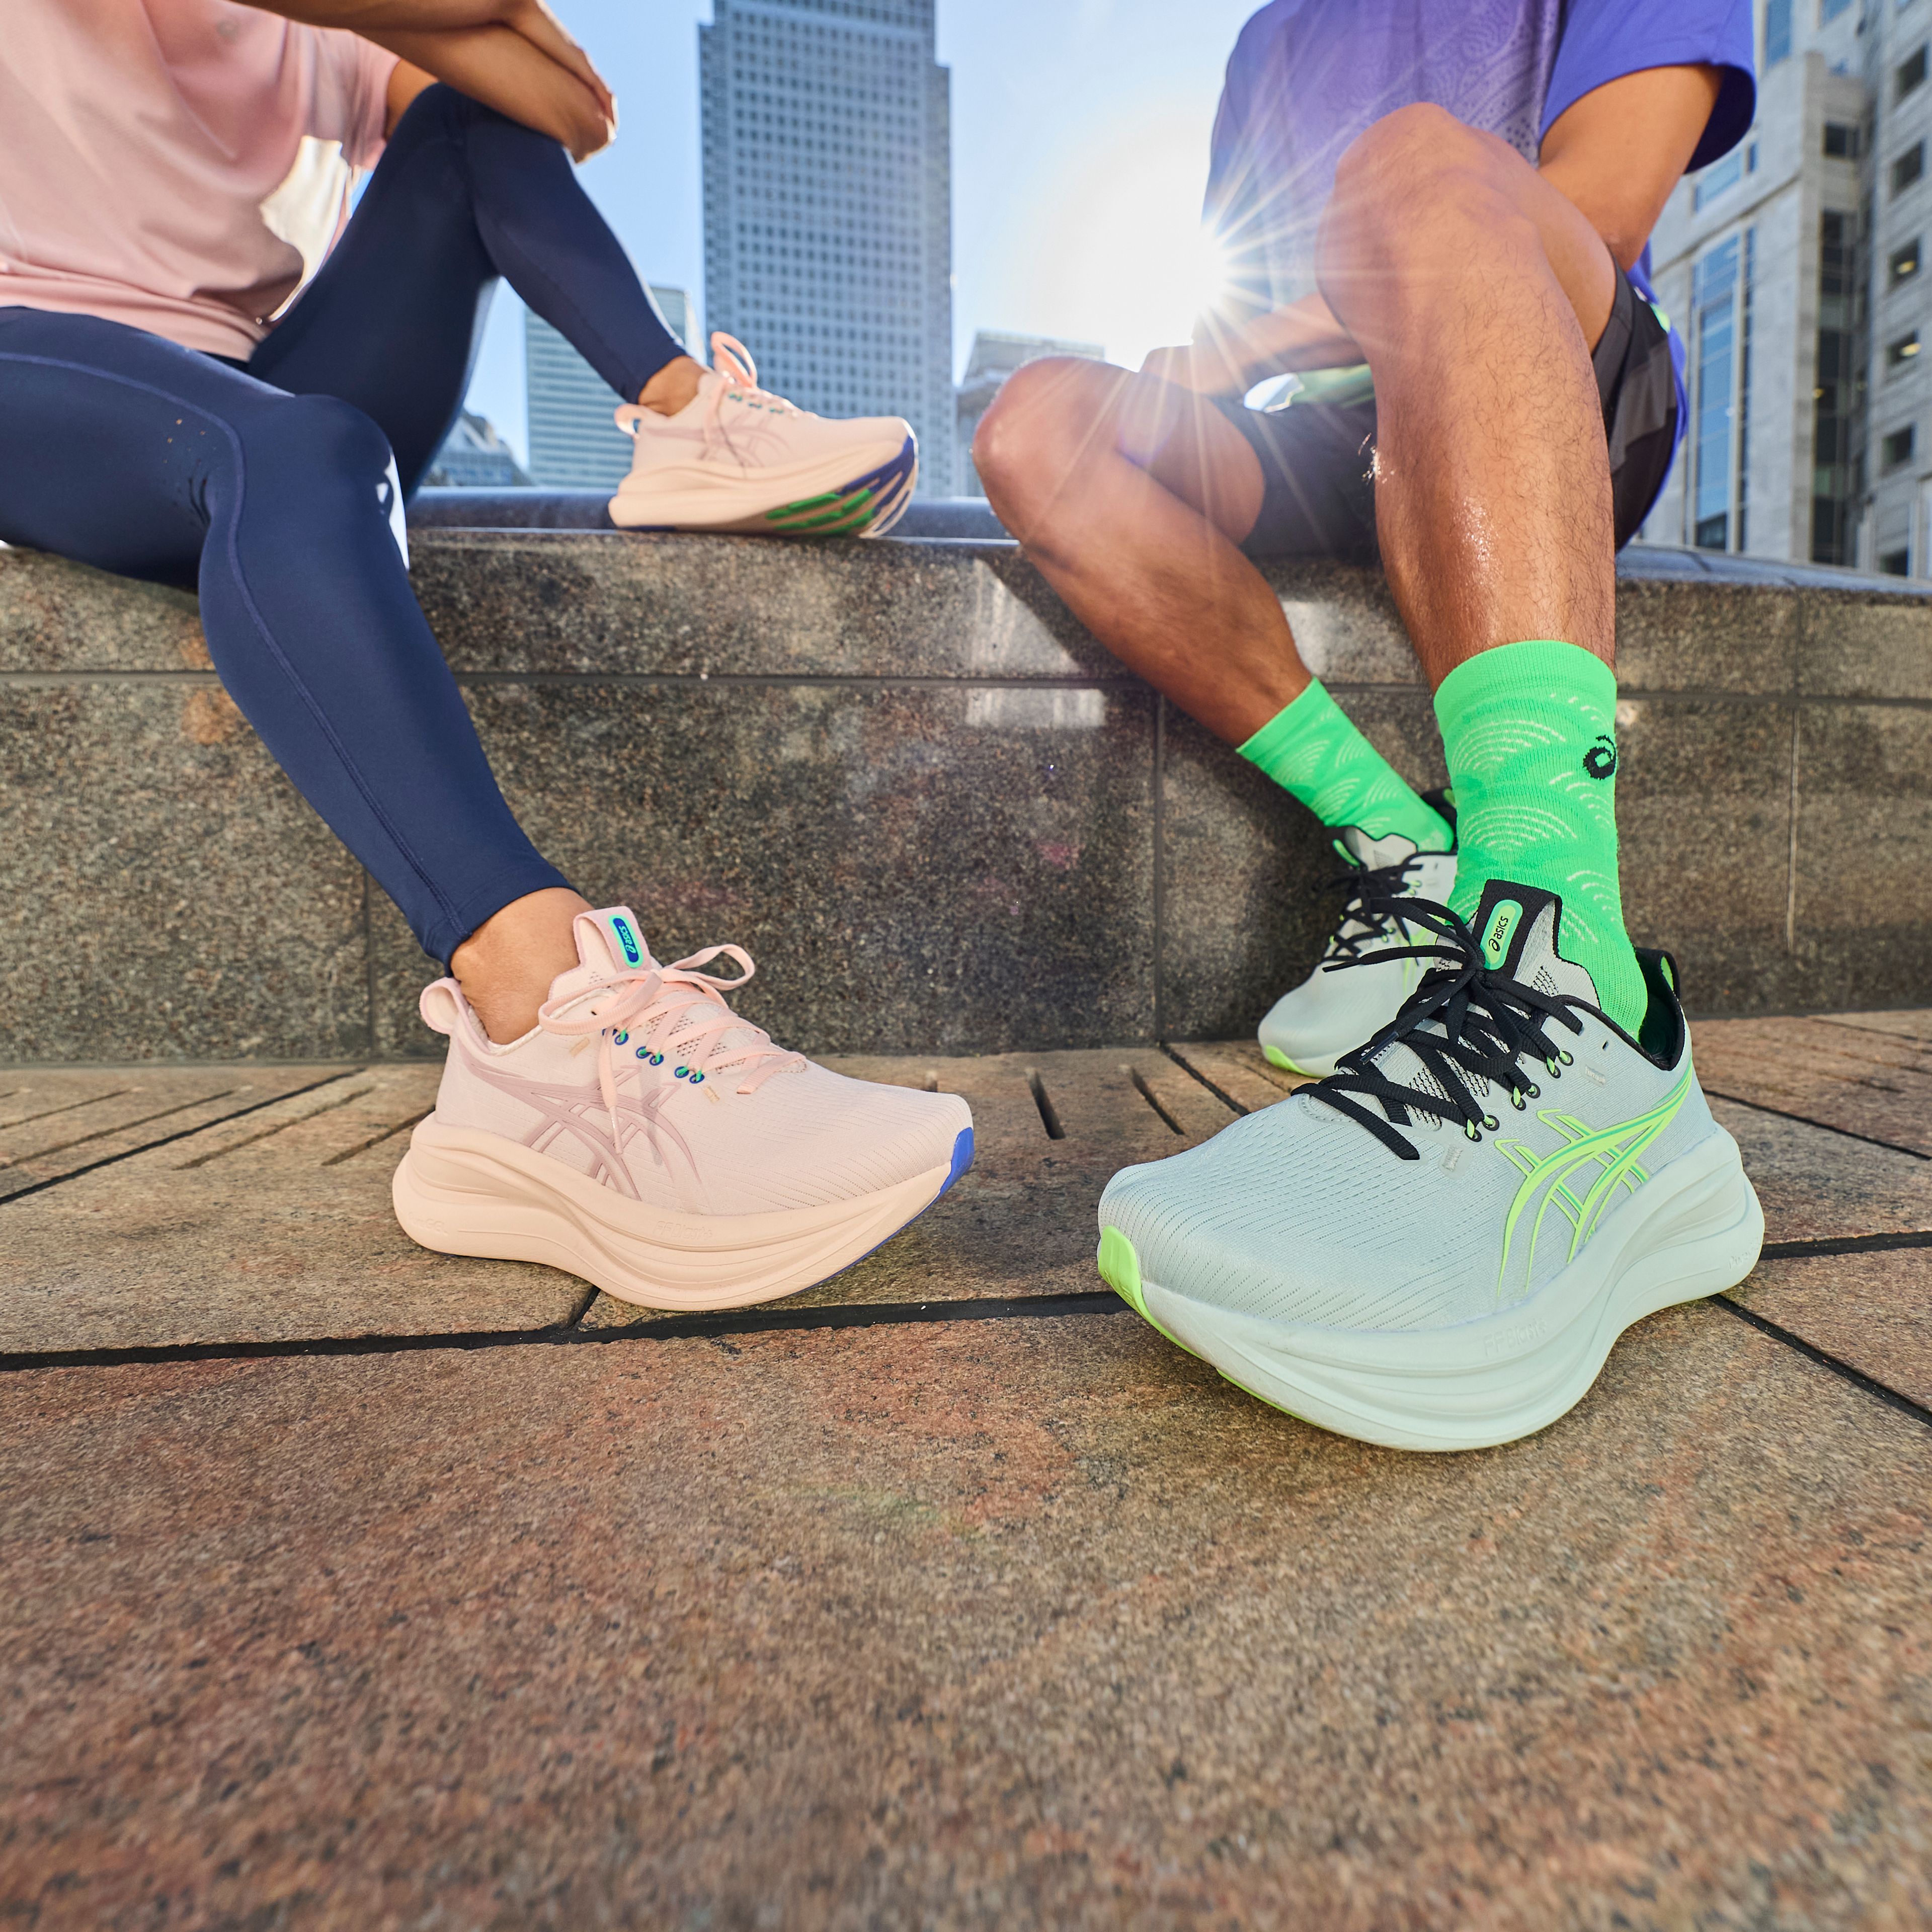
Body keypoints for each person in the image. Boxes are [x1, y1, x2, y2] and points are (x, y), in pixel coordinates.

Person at [0, 0, 969, 1311]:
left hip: (271, 384)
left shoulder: (327, 39)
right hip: (39, 362)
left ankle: (685, 418)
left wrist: (478, 21)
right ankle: (528, 1025)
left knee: (465, 123)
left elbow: (572, 111)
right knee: (293, 450)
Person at [974, 0, 1765, 1450]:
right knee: (1038, 426)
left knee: (1417, 169)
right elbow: (1248, 293)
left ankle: (1569, 966)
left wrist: (1264, 332)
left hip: (1550, 343)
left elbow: (1599, 200)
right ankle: (1409, 854)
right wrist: (1223, 360)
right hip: (1333, 408)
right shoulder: (1271, 40)